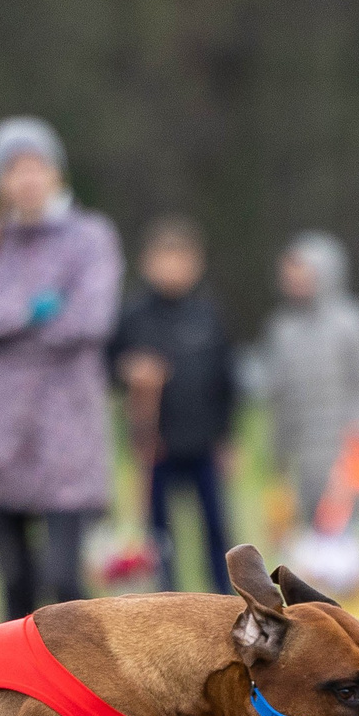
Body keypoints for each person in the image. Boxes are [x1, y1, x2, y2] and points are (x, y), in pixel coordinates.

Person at [0, 116, 123, 621]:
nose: (27, 179)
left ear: (57, 173)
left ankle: (80, 688)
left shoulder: (90, 238)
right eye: (14, 168)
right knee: (14, 584)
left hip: (65, 434)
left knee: (64, 580)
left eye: (37, 166)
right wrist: (35, 309)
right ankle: (13, 693)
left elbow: (88, 319)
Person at [259, 231, 359, 605]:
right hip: (302, 460)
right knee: (303, 551)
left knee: (347, 546)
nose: (293, 279)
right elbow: (278, 399)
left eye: (301, 270)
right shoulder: (282, 330)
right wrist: (277, 457)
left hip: (346, 456)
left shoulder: (352, 322)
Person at [109, 216, 239, 594]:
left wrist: (228, 438)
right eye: (164, 258)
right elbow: (108, 367)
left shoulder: (208, 314)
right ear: (147, 263)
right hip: (154, 445)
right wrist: (130, 370)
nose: (172, 268)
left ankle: (224, 602)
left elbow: (226, 380)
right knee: (157, 536)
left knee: (218, 530)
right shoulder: (132, 316)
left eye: (180, 258)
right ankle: (167, 603)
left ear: (195, 264)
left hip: (204, 443)